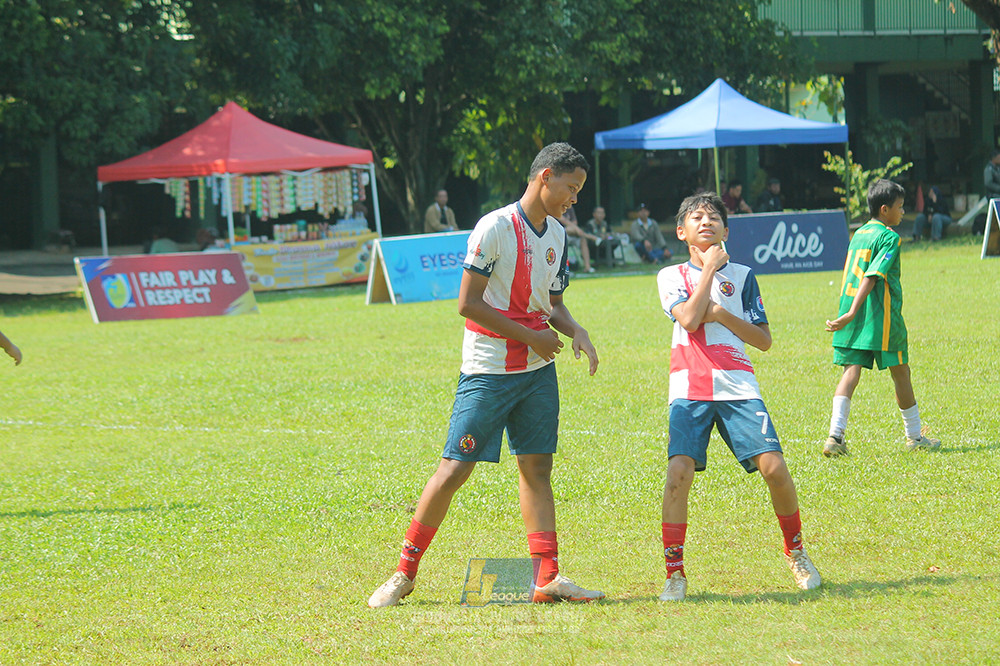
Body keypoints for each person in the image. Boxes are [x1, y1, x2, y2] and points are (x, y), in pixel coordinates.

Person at [368, 142, 603, 608]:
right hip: (489, 369)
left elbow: (554, 305)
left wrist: (576, 330)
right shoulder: (494, 227)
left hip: (538, 371)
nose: (574, 198)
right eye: (571, 187)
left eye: (579, 190)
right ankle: (404, 573)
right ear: (546, 176)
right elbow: (467, 303)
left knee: (536, 469)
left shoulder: (557, 234)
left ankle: (546, 578)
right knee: (455, 468)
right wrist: (532, 336)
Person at [656, 191, 821, 602]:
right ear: (681, 232)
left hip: (738, 385)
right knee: (678, 474)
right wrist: (710, 269)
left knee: (775, 468)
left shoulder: (744, 276)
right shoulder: (670, 276)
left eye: (714, 217)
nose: (706, 222)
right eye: (696, 217)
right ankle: (675, 574)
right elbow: (689, 318)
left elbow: (763, 340)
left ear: (726, 231)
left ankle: (796, 552)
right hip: (689, 386)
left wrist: (721, 313)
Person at [823, 179, 941, 457]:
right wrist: (853, 311)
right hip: (880, 315)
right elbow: (873, 275)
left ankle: (835, 436)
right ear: (884, 209)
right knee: (901, 371)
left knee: (850, 372)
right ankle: (914, 436)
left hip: (852, 313)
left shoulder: (859, 234)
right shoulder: (889, 237)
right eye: (900, 207)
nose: (903, 212)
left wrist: (849, 312)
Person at [559, 207, 602, 273]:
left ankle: (587, 267)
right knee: (569, 230)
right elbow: (562, 220)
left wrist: (575, 229)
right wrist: (577, 229)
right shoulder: (556, 206)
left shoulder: (570, 207)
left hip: (573, 233)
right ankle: (592, 237)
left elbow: (575, 222)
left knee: (583, 239)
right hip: (560, 234)